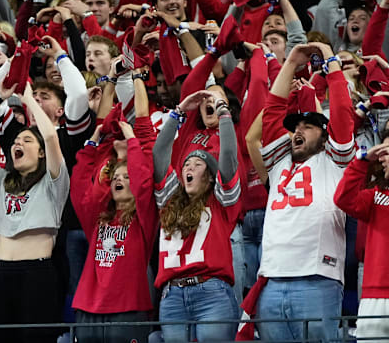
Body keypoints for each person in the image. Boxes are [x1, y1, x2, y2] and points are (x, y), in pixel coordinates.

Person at [257, 43, 355, 342]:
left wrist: (331, 60)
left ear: (325, 135)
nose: (298, 131)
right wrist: (291, 63)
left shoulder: (336, 160)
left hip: (317, 280)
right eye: (296, 126)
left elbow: (342, 113)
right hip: (272, 281)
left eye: (308, 126)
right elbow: (273, 111)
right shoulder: (278, 161)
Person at [0, 80, 69, 343]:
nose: (17, 143)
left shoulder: (53, 183)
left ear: (42, 153)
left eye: (26, 140)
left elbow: (50, 136)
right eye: (15, 141)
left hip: (37, 275)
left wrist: (28, 98)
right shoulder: (3, 183)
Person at [70, 70, 159, 343]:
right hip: (88, 307)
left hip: (128, 307)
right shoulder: (99, 216)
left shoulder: (145, 217)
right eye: (116, 178)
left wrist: (132, 140)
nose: (119, 180)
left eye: (126, 177)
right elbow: (79, 189)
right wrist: (92, 142)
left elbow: (143, 180)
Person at [152, 89, 241, 342]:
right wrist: (178, 112)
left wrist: (223, 112)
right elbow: (159, 154)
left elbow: (228, 156)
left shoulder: (221, 201)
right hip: (172, 296)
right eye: (186, 165)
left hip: (211, 290)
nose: (189, 167)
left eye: (198, 164)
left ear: (211, 176)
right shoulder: (169, 199)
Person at [335, 140, 389, 342]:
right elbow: (343, 199)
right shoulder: (376, 197)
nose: (381, 158)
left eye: (386, 152)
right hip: (374, 297)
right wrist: (361, 161)